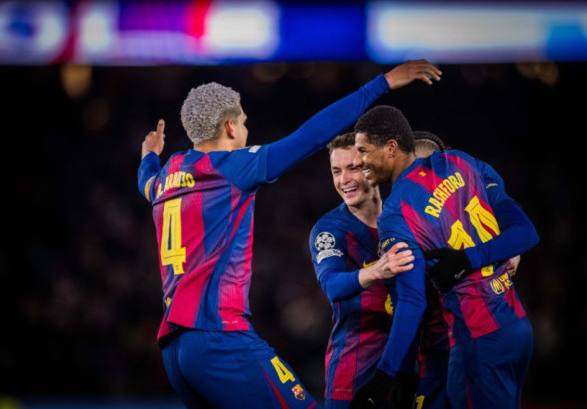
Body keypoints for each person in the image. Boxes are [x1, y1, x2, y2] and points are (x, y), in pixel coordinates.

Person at [137, 61, 442, 409]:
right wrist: (381, 84)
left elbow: (145, 182)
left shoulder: (167, 176)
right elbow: (310, 136)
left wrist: (149, 156)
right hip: (219, 337)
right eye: (244, 122)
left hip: (174, 348)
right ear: (230, 127)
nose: (246, 129)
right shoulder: (232, 167)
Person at [349, 105, 539, 409]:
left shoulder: (396, 214)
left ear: (391, 148)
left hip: (477, 336)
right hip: (517, 325)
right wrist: (482, 255)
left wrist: (384, 376)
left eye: (363, 151)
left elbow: (412, 301)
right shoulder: (460, 162)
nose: (358, 162)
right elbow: (526, 233)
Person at [308, 132, 416, 409]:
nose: (344, 179)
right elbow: (332, 285)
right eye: (336, 171)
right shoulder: (329, 230)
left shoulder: (404, 217)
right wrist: (378, 270)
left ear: (372, 168)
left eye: (353, 168)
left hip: (409, 367)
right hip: (355, 371)